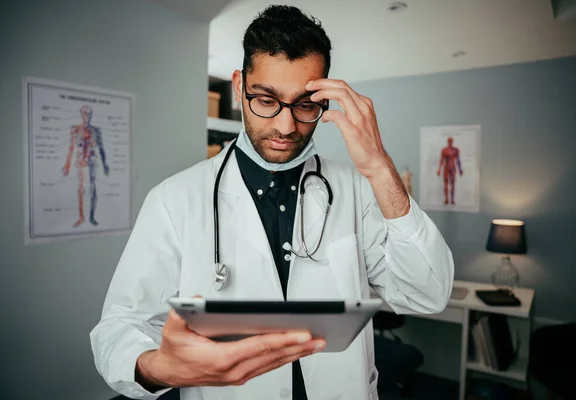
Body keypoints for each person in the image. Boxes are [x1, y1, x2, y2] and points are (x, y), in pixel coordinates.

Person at [90, 5, 454, 400]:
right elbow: (118, 328)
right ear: (238, 86)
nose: (285, 126)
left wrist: (381, 169)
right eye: (265, 100)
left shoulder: (357, 190)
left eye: (305, 105)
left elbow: (428, 293)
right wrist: (156, 368)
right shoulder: (173, 199)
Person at [62, 104, 109, 226]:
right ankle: (81, 217)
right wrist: (67, 165)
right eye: (84, 114)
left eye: (89, 114)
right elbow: (71, 148)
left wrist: (105, 164)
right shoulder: (75, 130)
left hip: (92, 160)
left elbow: (101, 148)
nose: (86, 116)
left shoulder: (96, 131)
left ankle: (92, 217)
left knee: (92, 188)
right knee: (80, 189)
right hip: (80, 161)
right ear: (81, 114)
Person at [436, 137, 463, 205]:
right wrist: (439, 169)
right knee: (446, 184)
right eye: (449, 141)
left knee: (453, 183)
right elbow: (441, 160)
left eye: (451, 141)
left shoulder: (456, 150)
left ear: (452, 142)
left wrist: (460, 169)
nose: (450, 142)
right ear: (448, 142)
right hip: (446, 168)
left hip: (453, 168)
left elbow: (458, 160)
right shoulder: (444, 150)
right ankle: (446, 199)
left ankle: (452, 199)